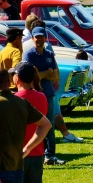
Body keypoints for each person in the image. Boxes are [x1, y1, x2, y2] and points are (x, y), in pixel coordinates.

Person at [0, 67, 51, 183]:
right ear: (9, 83)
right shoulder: (22, 103)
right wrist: (28, 148)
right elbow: (46, 124)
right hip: (17, 166)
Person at [21, 28, 63, 165]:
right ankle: (32, 152)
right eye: (36, 37)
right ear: (32, 38)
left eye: (41, 37)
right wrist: (47, 72)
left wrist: (43, 73)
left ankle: (50, 155)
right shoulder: (29, 55)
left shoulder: (49, 53)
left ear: (45, 38)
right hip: (34, 95)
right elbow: (32, 76)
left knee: (49, 124)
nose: (39, 40)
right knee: (33, 124)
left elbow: (56, 75)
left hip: (48, 94)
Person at [12, 64, 48, 183]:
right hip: (37, 150)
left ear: (16, 78)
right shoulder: (42, 97)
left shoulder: (14, 99)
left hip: (18, 153)